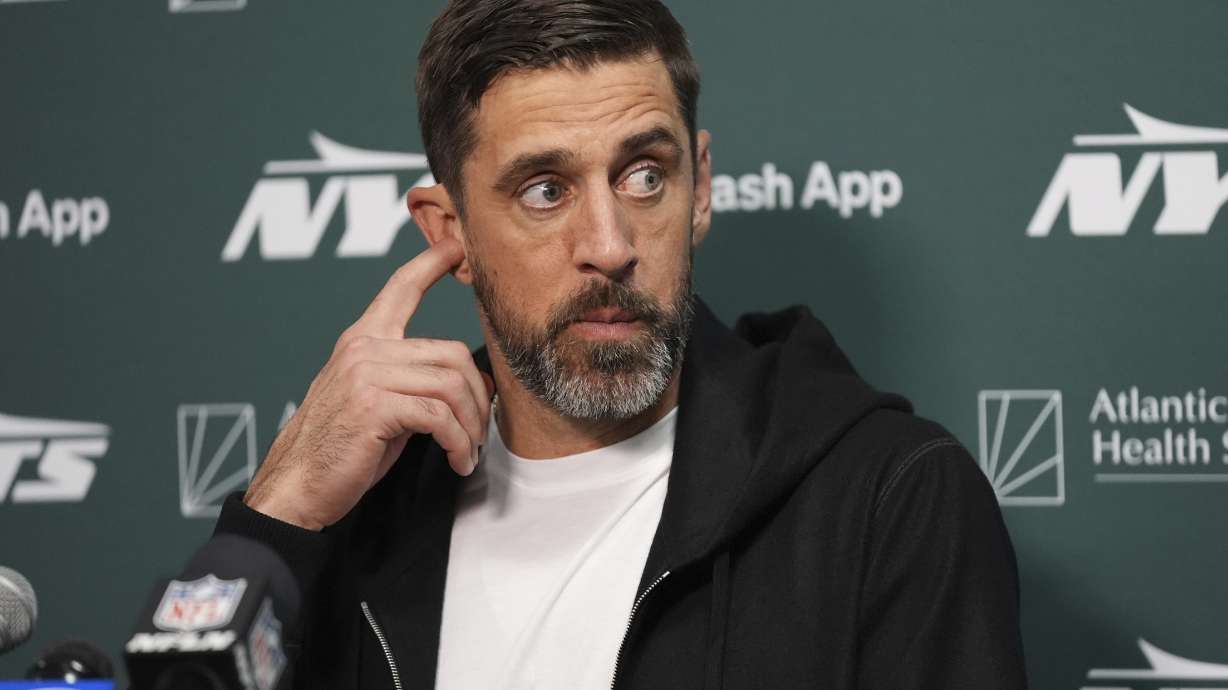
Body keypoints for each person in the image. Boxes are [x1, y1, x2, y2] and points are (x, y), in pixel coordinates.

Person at [213, 1, 1029, 688]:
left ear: (700, 187)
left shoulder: (888, 498)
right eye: (544, 190)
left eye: (644, 175)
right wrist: (277, 518)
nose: (609, 243)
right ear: (449, 229)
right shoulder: (356, 515)